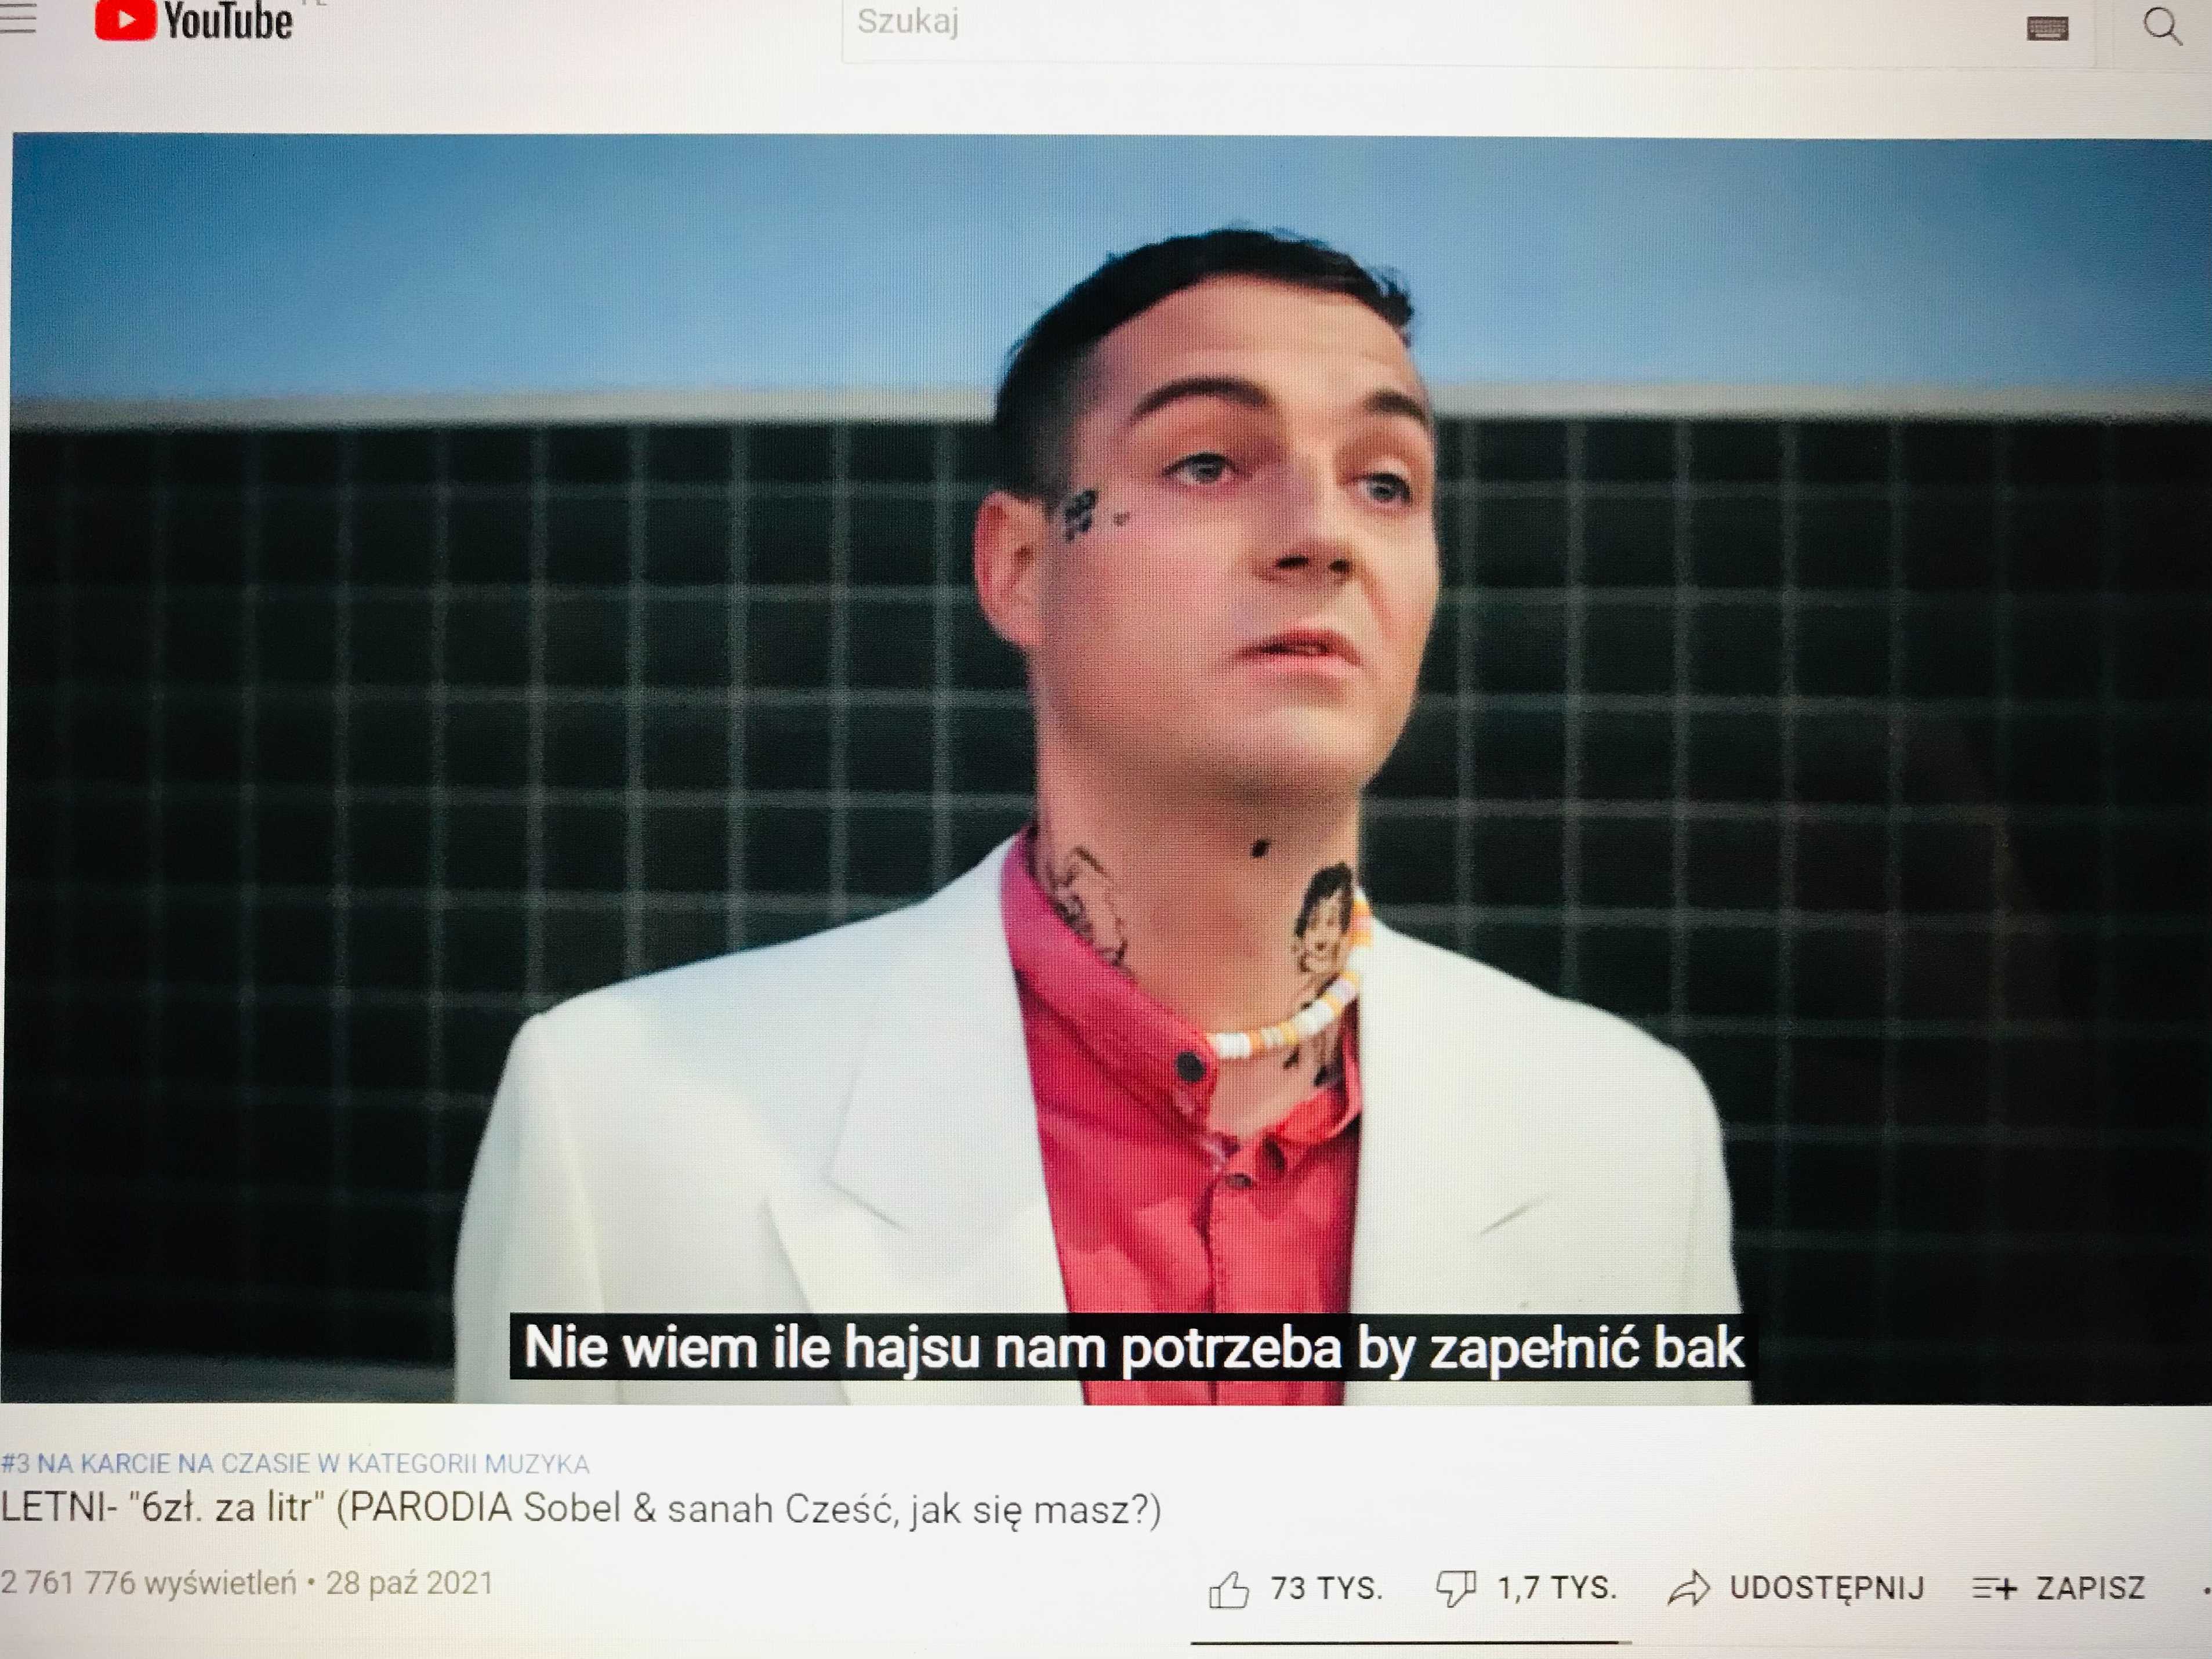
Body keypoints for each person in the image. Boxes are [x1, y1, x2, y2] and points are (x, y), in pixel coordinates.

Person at [453, 228, 1746, 1404]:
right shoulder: (622, 1124)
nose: (1321, 535)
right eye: (1206, 462)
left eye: (1385, 483)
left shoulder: (1628, 1136)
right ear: (1020, 566)